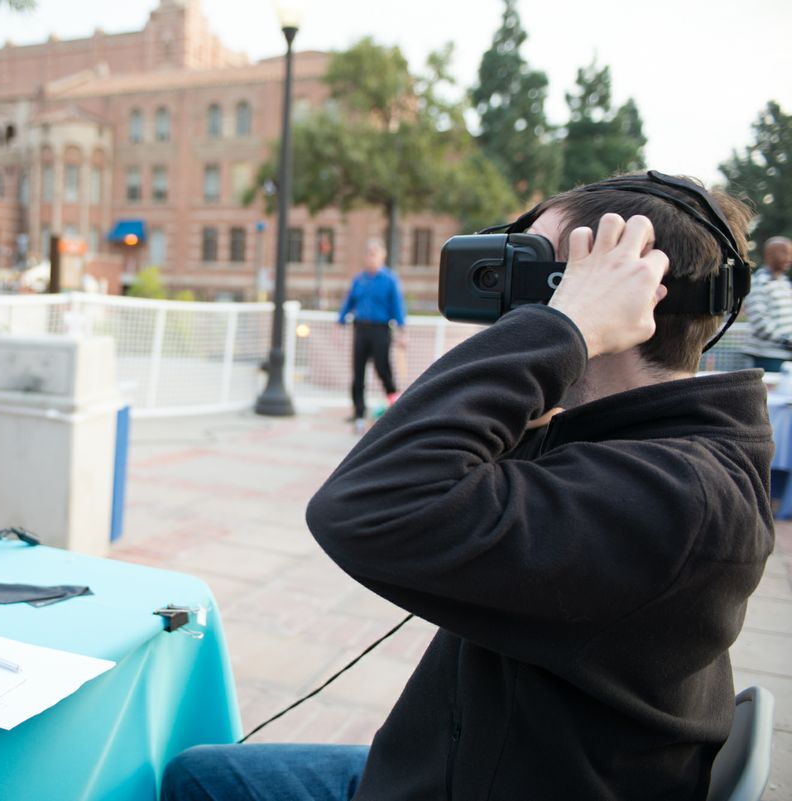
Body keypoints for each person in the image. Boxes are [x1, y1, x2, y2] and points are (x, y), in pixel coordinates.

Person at [161, 173, 773, 800]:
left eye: (529, 268)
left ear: (604, 293)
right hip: (472, 761)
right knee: (201, 771)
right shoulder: (634, 445)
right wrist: (539, 386)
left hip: (481, 785)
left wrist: (563, 333)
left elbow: (367, 506)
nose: (513, 301)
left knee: (198, 782)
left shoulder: (677, 498)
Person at [337, 238, 407, 425]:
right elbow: (349, 302)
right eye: (368, 254)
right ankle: (358, 411)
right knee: (358, 371)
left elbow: (398, 308)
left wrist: (402, 333)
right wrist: (340, 321)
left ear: (382, 256)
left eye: (374, 254)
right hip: (360, 328)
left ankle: (396, 409)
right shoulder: (359, 279)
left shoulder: (390, 280)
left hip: (381, 330)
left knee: (383, 369)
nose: (371, 258)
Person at [744, 235, 792, 371]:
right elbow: (760, 322)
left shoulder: (784, 282)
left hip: (785, 355)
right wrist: (786, 341)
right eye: (785, 253)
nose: (789, 258)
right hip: (767, 357)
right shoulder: (760, 282)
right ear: (769, 255)